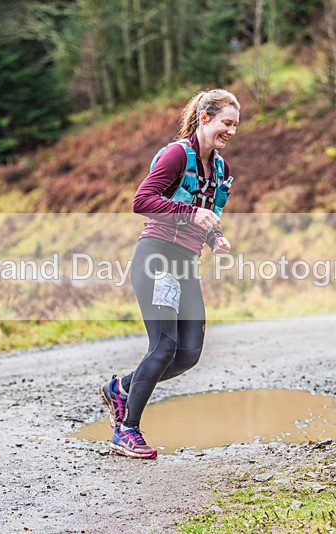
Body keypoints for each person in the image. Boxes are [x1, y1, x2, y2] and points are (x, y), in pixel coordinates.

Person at [97, 89, 240, 459]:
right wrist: (192, 214)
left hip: (186, 264)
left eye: (235, 125)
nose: (231, 131)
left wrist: (215, 238)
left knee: (188, 352)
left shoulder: (221, 170)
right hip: (156, 257)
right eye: (226, 123)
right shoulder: (177, 154)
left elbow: (208, 215)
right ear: (205, 118)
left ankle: (121, 388)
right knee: (163, 346)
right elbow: (141, 201)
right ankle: (126, 430)